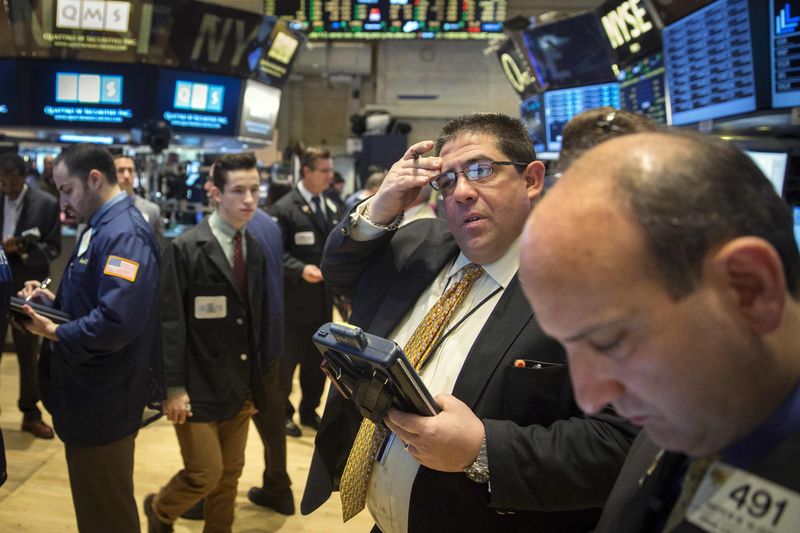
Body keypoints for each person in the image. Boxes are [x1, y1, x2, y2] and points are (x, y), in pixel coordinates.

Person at [302, 113, 635, 532]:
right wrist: (383, 203)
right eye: (446, 180)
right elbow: (338, 270)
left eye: (481, 170)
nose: (461, 192)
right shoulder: (416, 243)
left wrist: (483, 450)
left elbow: (621, 445)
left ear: (531, 179)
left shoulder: (589, 292)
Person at [519, 131, 800, 532]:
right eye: (568, 347)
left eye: (608, 341)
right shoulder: (686, 410)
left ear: (748, 289)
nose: (590, 398)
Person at [19, 143, 162, 533]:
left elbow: (117, 320)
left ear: (94, 180)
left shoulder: (124, 235)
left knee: (107, 513)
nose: (63, 200)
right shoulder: (99, 226)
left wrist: (55, 330)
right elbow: (95, 300)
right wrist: (53, 302)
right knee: (97, 507)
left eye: (67, 189)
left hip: (105, 398)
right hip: (89, 395)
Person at [145, 153, 278, 531]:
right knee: (205, 472)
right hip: (196, 385)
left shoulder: (256, 249)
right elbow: (169, 323)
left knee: (230, 476)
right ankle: (160, 510)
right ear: (214, 192)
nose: (249, 200)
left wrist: (260, 385)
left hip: (239, 386)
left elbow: (257, 323)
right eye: (239, 191)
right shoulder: (185, 248)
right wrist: (172, 388)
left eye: (255, 190)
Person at [269, 146, 342, 438]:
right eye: (323, 171)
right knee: (287, 365)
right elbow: (274, 253)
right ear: (307, 172)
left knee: (317, 364)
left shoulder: (332, 206)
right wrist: (299, 269)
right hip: (292, 303)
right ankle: (283, 413)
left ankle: (309, 410)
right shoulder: (284, 208)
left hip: (322, 302)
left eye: (330, 170)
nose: (330, 176)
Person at [0, 153, 61, 439]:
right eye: (2, 181)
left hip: (26, 287)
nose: (7, 186)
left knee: (28, 353)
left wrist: (21, 250)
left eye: (12, 181)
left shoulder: (46, 204)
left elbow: (53, 248)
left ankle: (30, 412)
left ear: (24, 177)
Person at [114, 155, 164, 238]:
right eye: (121, 170)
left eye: (130, 170)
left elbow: (158, 244)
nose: (126, 176)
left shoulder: (151, 210)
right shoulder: (102, 209)